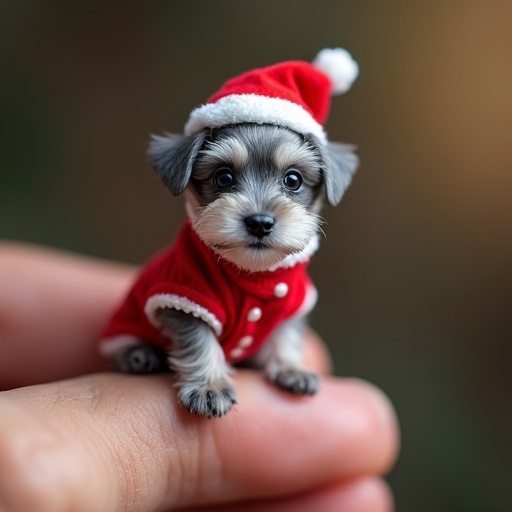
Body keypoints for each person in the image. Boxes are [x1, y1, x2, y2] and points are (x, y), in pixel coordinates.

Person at [0, 242, 399, 512]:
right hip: (145, 339)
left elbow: (289, 316)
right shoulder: (191, 271)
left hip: (240, 353)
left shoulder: (289, 275)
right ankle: (194, 372)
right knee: (172, 332)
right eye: (225, 179)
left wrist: (286, 361)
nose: (260, 210)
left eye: (291, 181)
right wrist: (205, 376)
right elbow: (182, 313)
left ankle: (282, 362)